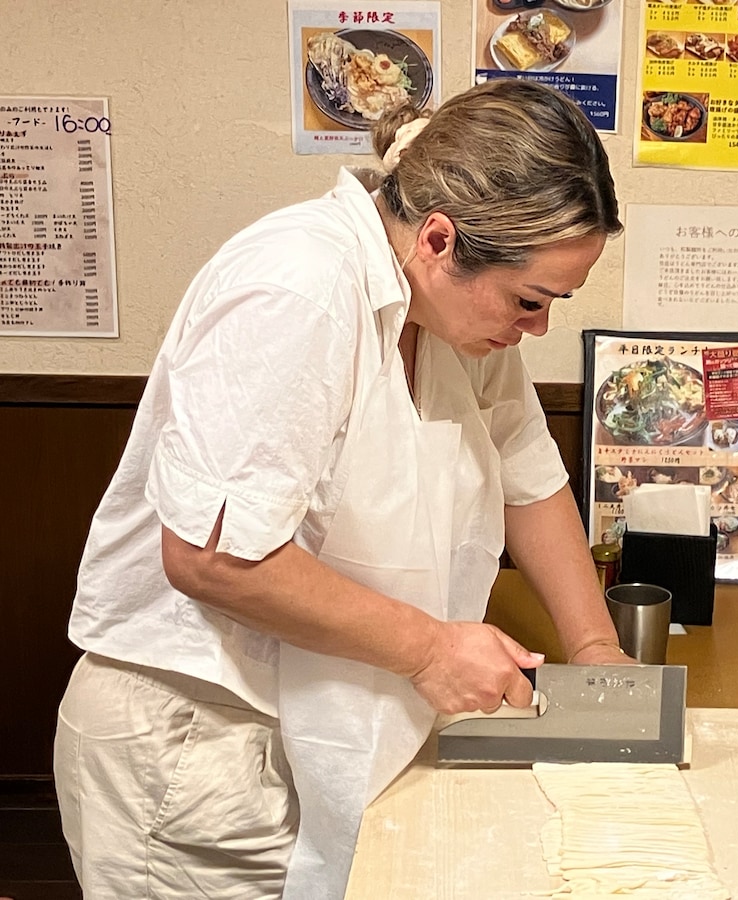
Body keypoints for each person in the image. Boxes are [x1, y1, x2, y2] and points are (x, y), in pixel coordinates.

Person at [54, 79, 628, 900]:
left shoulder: (457, 318)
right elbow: (209, 558)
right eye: (531, 300)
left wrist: (598, 654)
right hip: (198, 742)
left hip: (325, 717)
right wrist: (432, 648)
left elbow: (527, 477)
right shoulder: (299, 289)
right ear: (438, 239)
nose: (537, 327)